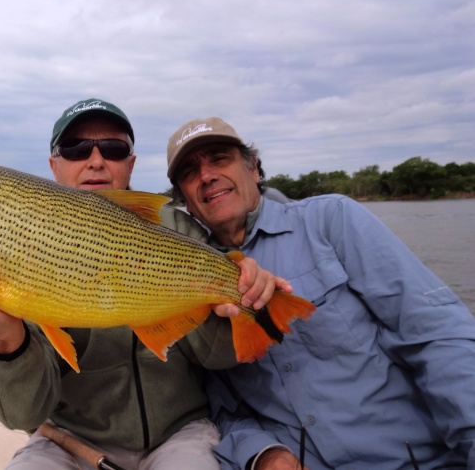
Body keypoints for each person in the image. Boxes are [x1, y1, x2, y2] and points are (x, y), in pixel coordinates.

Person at [0, 99, 289, 470]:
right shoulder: (12, 239)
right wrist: (3, 331)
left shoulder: (180, 230)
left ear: (131, 163)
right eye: (75, 149)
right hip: (68, 439)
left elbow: (218, 357)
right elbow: (18, 414)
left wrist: (227, 306)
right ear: (53, 166)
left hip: (180, 433)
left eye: (113, 148)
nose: (95, 160)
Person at [164, 116, 475, 470]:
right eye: (190, 171)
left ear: (254, 170)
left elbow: (437, 336)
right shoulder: (187, 277)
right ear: (185, 201)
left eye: (219, 158)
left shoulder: (331, 220)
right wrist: (263, 454)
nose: (206, 175)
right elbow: (221, 406)